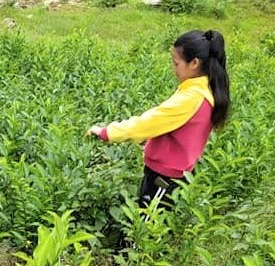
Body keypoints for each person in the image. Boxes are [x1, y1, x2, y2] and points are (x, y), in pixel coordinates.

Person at [88, 30, 230, 210]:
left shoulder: (191, 98)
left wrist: (106, 132)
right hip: (172, 173)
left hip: (164, 177)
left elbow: (148, 123)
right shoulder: (204, 88)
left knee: (147, 227)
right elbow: (179, 130)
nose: (173, 69)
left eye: (176, 63)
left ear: (194, 63)